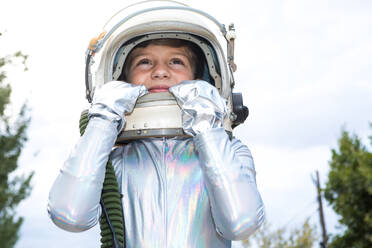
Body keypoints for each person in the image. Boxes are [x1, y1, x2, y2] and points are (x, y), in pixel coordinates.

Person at [48, 1, 265, 248]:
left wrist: (207, 127)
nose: (160, 71)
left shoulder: (231, 152)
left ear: (199, 78)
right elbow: (69, 215)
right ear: (122, 79)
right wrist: (102, 121)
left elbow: (241, 223)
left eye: (176, 61)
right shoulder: (111, 162)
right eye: (144, 62)